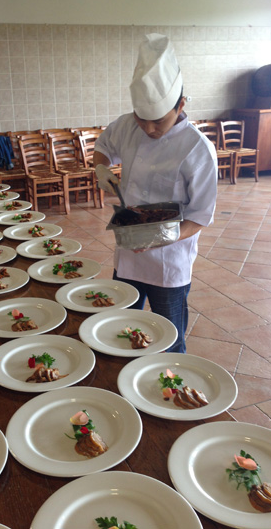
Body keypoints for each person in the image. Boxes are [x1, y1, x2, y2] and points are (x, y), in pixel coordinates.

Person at [93, 33, 217, 353]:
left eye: (158, 121)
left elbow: (200, 216)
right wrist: (101, 168)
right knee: (120, 330)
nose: (148, 129)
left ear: (181, 104)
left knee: (169, 339)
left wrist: (159, 237)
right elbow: (103, 147)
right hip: (128, 256)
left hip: (169, 262)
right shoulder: (126, 126)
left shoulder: (198, 149)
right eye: (142, 119)